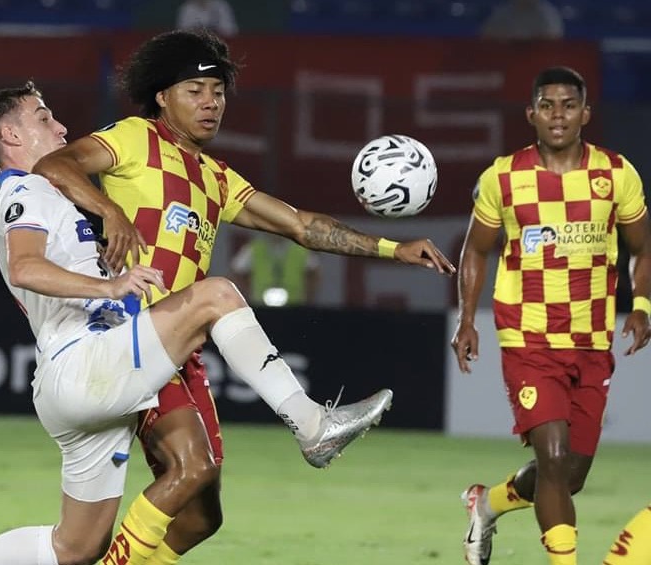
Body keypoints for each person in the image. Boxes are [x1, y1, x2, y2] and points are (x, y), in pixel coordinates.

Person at [32, 29, 456, 565]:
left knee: (202, 516)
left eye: (218, 93)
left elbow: (304, 226)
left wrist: (393, 248)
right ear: (162, 96)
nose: (211, 103)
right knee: (194, 466)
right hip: (130, 333)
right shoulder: (135, 138)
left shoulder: (215, 177)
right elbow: (56, 165)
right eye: (194, 91)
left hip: (180, 345)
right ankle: (313, 425)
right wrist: (111, 210)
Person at [0, 82, 395, 565]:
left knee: (76, 547)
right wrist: (111, 287)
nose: (60, 127)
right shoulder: (27, 188)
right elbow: (24, 268)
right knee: (215, 296)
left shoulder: (52, 194)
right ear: (11, 135)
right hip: (86, 363)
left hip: (87, 378)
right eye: (43, 118)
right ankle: (312, 425)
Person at [450, 66, 651, 565]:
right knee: (555, 459)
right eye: (547, 105)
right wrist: (467, 319)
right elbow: (476, 251)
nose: (557, 115)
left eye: (567, 105)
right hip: (528, 339)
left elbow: (642, 248)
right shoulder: (503, 177)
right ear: (531, 115)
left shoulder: (616, 174)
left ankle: (488, 503)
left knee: (570, 475)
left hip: (591, 342)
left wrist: (642, 305)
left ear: (585, 113)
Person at [230, 232, 321, 306]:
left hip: (294, 305)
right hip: (259, 305)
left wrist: (308, 298)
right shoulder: (253, 248)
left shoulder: (300, 250)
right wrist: (245, 298)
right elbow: (237, 273)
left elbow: (314, 274)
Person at [481, 0, 564, 40]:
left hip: (538, 63)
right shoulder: (502, 14)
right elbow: (486, 38)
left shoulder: (549, 14)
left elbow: (552, 43)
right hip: (506, 63)